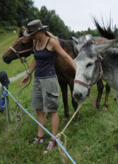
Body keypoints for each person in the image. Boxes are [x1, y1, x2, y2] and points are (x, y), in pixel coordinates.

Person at [21, 20, 76, 152]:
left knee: (52, 110)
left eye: (33, 33)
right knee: (39, 109)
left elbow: (66, 57)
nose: (31, 36)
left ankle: (53, 139)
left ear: (39, 32)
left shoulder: (52, 42)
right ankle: (40, 137)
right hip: (38, 80)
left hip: (49, 79)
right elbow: (36, 59)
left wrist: (77, 71)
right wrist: (28, 73)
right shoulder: (35, 42)